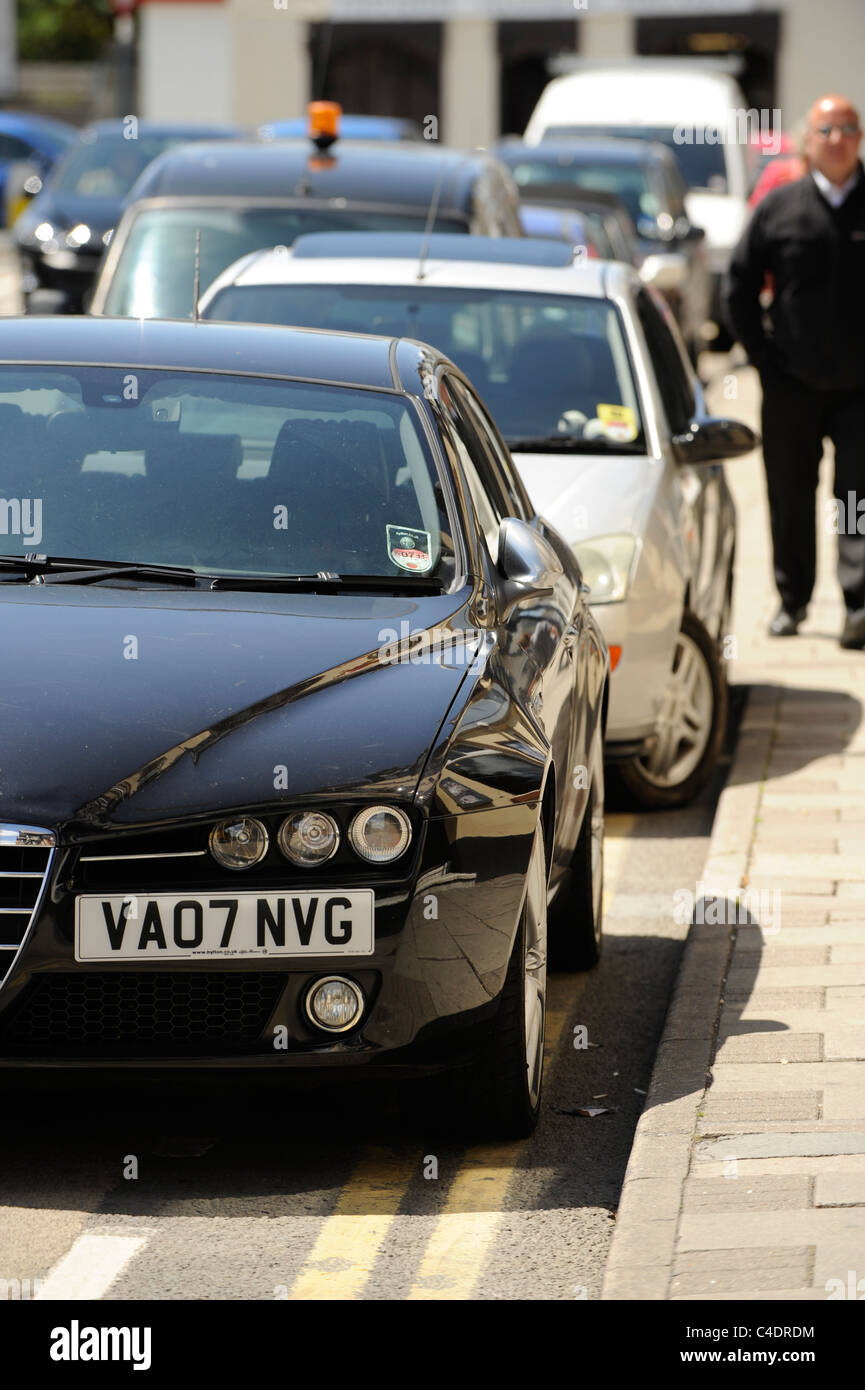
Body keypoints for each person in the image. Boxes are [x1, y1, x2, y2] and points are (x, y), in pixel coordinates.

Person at [726, 94, 865, 646]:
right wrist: (764, 360)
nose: (838, 138)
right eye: (827, 129)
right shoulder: (780, 207)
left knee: (857, 501)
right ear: (809, 141)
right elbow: (736, 287)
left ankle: (858, 606)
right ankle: (792, 600)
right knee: (789, 496)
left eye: (849, 128)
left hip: (861, 391)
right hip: (790, 386)